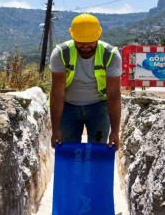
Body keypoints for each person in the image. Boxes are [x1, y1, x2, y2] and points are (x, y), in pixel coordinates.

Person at [49, 14, 122, 149]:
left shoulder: (110, 55)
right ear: (73, 37)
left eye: (90, 41)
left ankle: (94, 171)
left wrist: (115, 131)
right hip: (68, 107)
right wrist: (55, 129)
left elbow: (114, 94)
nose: (85, 46)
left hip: (99, 107)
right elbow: (57, 93)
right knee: (68, 151)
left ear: (98, 37)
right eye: (80, 41)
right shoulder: (60, 53)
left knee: (97, 152)